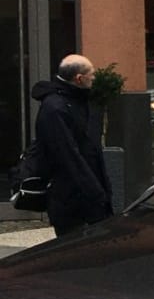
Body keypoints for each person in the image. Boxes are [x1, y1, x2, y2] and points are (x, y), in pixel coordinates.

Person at [26, 54, 112, 238]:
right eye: (92, 74)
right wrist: (96, 192)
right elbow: (67, 155)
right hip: (70, 197)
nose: (94, 78)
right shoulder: (55, 108)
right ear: (79, 78)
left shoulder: (78, 101)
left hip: (86, 193)